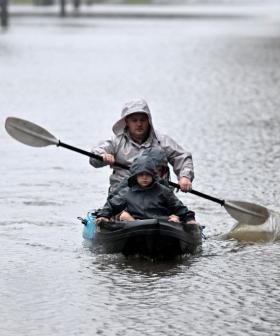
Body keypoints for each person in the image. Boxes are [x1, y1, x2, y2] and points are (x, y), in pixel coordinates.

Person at [90, 99, 194, 193]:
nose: (139, 124)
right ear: (127, 122)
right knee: (121, 212)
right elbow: (94, 158)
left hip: (156, 195)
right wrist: (103, 156)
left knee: (177, 212)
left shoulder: (162, 140)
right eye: (134, 120)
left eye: (142, 120)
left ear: (149, 121)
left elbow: (181, 156)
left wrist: (185, 177)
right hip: (122, 194)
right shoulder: (115, 141)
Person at [96, 157, 197, 225]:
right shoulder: (127, 192)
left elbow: (179, 207)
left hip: (161, 224)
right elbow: (112, 205)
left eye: (148, 174)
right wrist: (104, 216)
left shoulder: (164, 191)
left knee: (174, 219)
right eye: (141, 175)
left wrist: (189, 219)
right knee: (124, 216)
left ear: (153, 175)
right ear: (135, 176)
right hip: (136, 224)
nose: (144, 178)